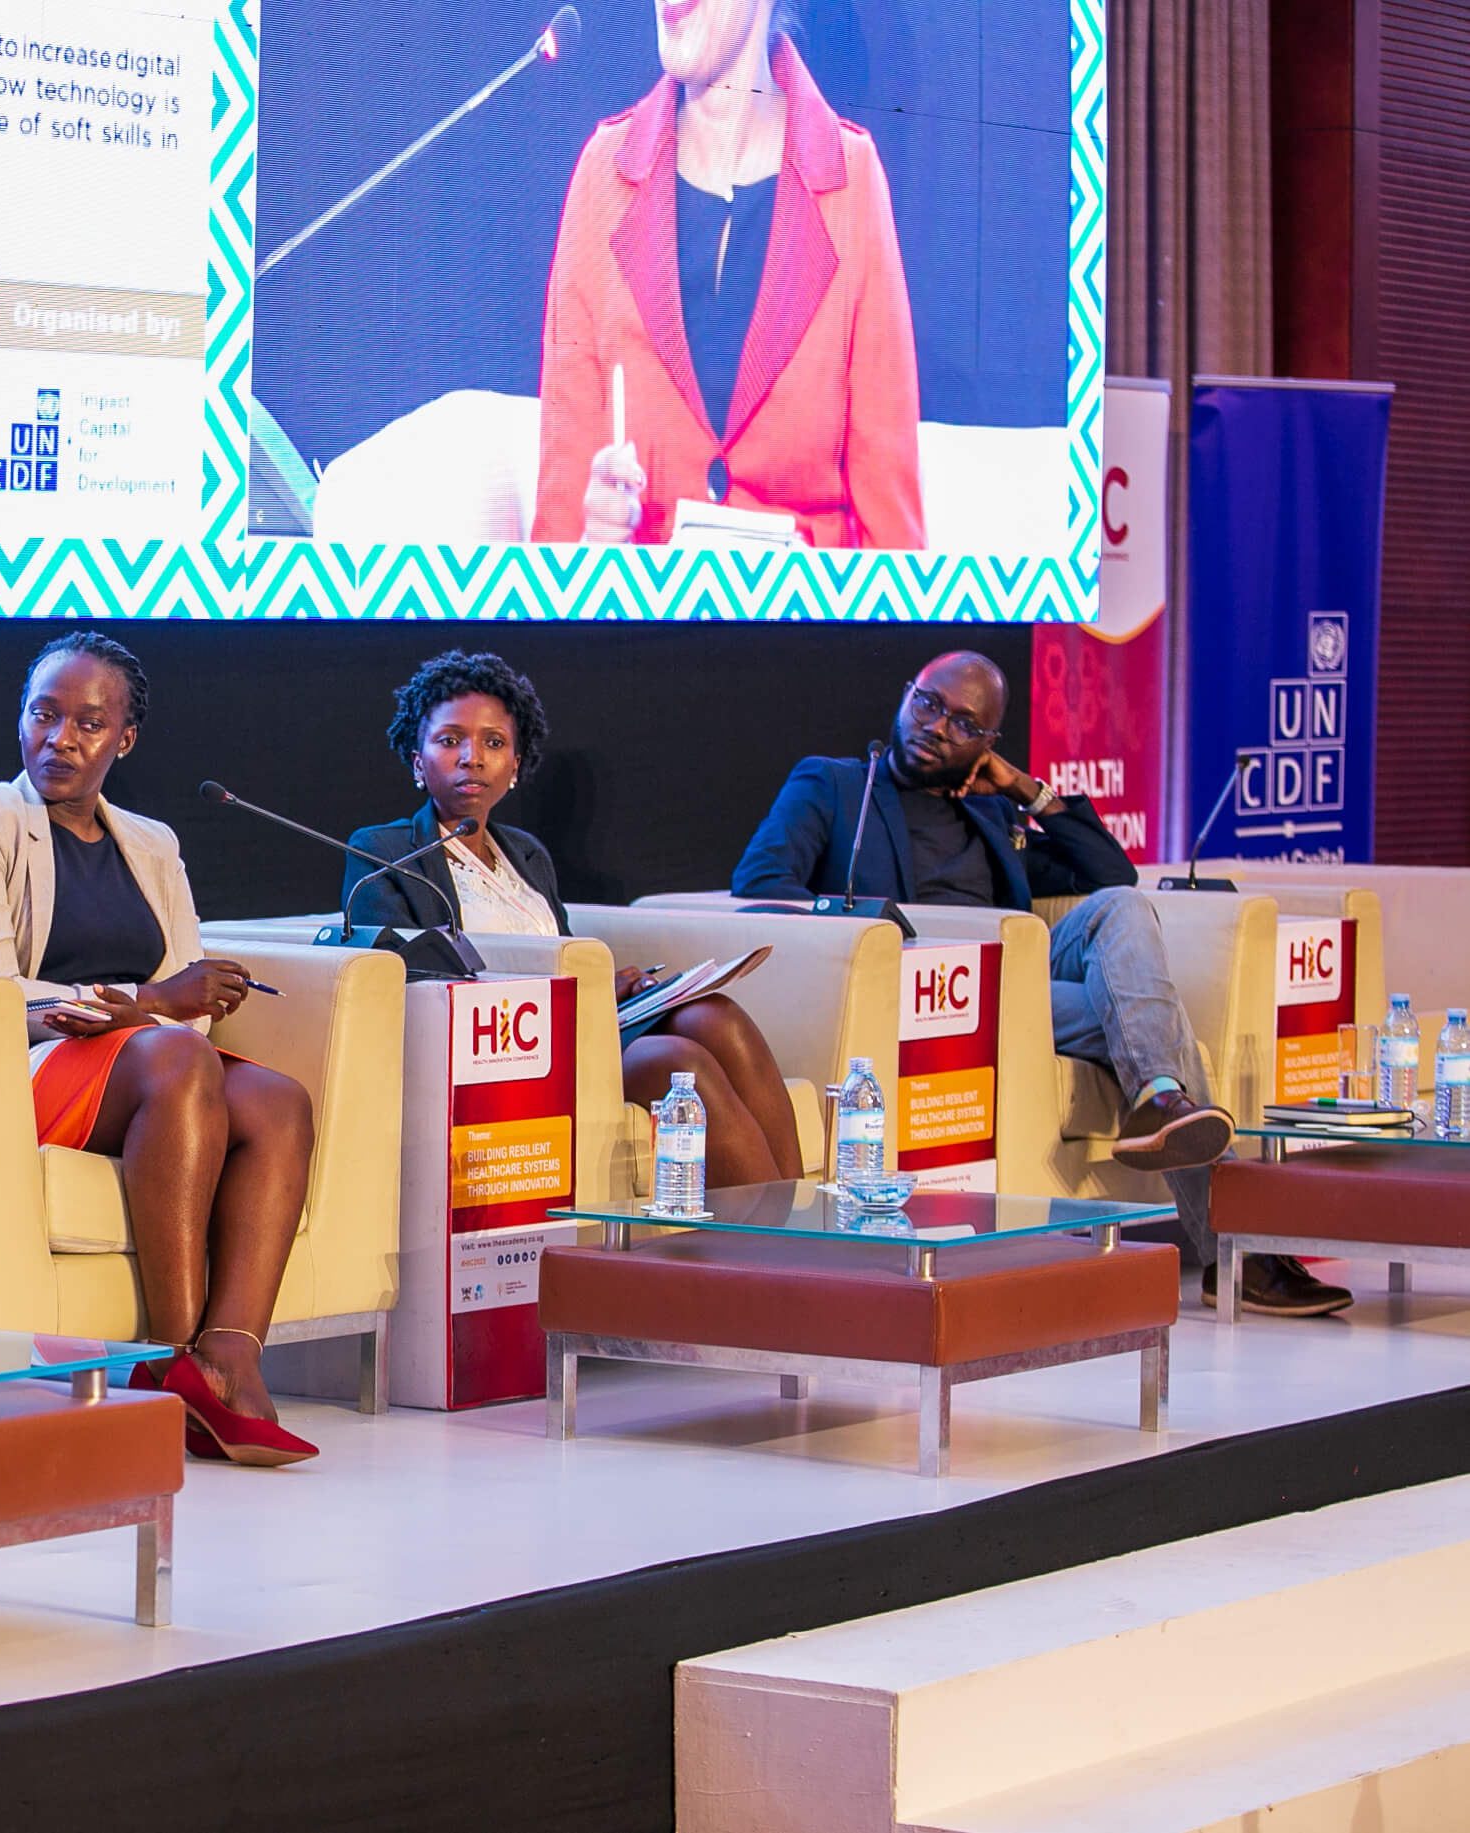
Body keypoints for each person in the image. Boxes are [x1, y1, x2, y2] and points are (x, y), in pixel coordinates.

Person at [731, 650, 1352, 1318]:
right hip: (929, 988)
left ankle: (1163, 1101)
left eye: (964, 724)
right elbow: (761, 881)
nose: (936, 726)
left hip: (1018, 982)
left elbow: (1110, 872)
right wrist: (878, 928)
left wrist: (1025, 790)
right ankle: (1233, 1243)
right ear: (907, 694)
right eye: (928, 703)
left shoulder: (989, 813)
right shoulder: (833, 786)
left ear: (988, 743)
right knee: (1144, 1019)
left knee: (1120, 908)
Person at [0, 632, 319, 1467]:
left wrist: (170, 1008)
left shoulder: (152, 843)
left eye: (88, 723)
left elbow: (189, 998)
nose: (59, 738)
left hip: (145, 1069)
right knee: (175, 1057)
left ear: (123, 739)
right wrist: (150, 1004)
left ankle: (231, 1359)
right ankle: (170, 1359)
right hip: (16, 1068)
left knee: (279, 1100)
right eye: (43, 714)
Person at [345, 650, 804, 1187]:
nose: (473, 758)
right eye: (450, 741)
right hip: (496, 1052)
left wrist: (605, 987)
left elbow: (555, 952)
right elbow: (401, 984)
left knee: (713, 1015)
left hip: (574, 1030)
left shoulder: (526, 853)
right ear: (418, 761)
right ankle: (775, 1233)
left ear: (515, 765)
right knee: (676, 1058)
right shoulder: (385, 851)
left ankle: (803, 1213)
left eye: (494, 743)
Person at [532, 0, 923, 550]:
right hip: (641, 601)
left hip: (803, 603)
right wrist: (592, 544)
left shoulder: (851, 180)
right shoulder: (605, 173)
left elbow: (895, 543)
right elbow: (559, 527)